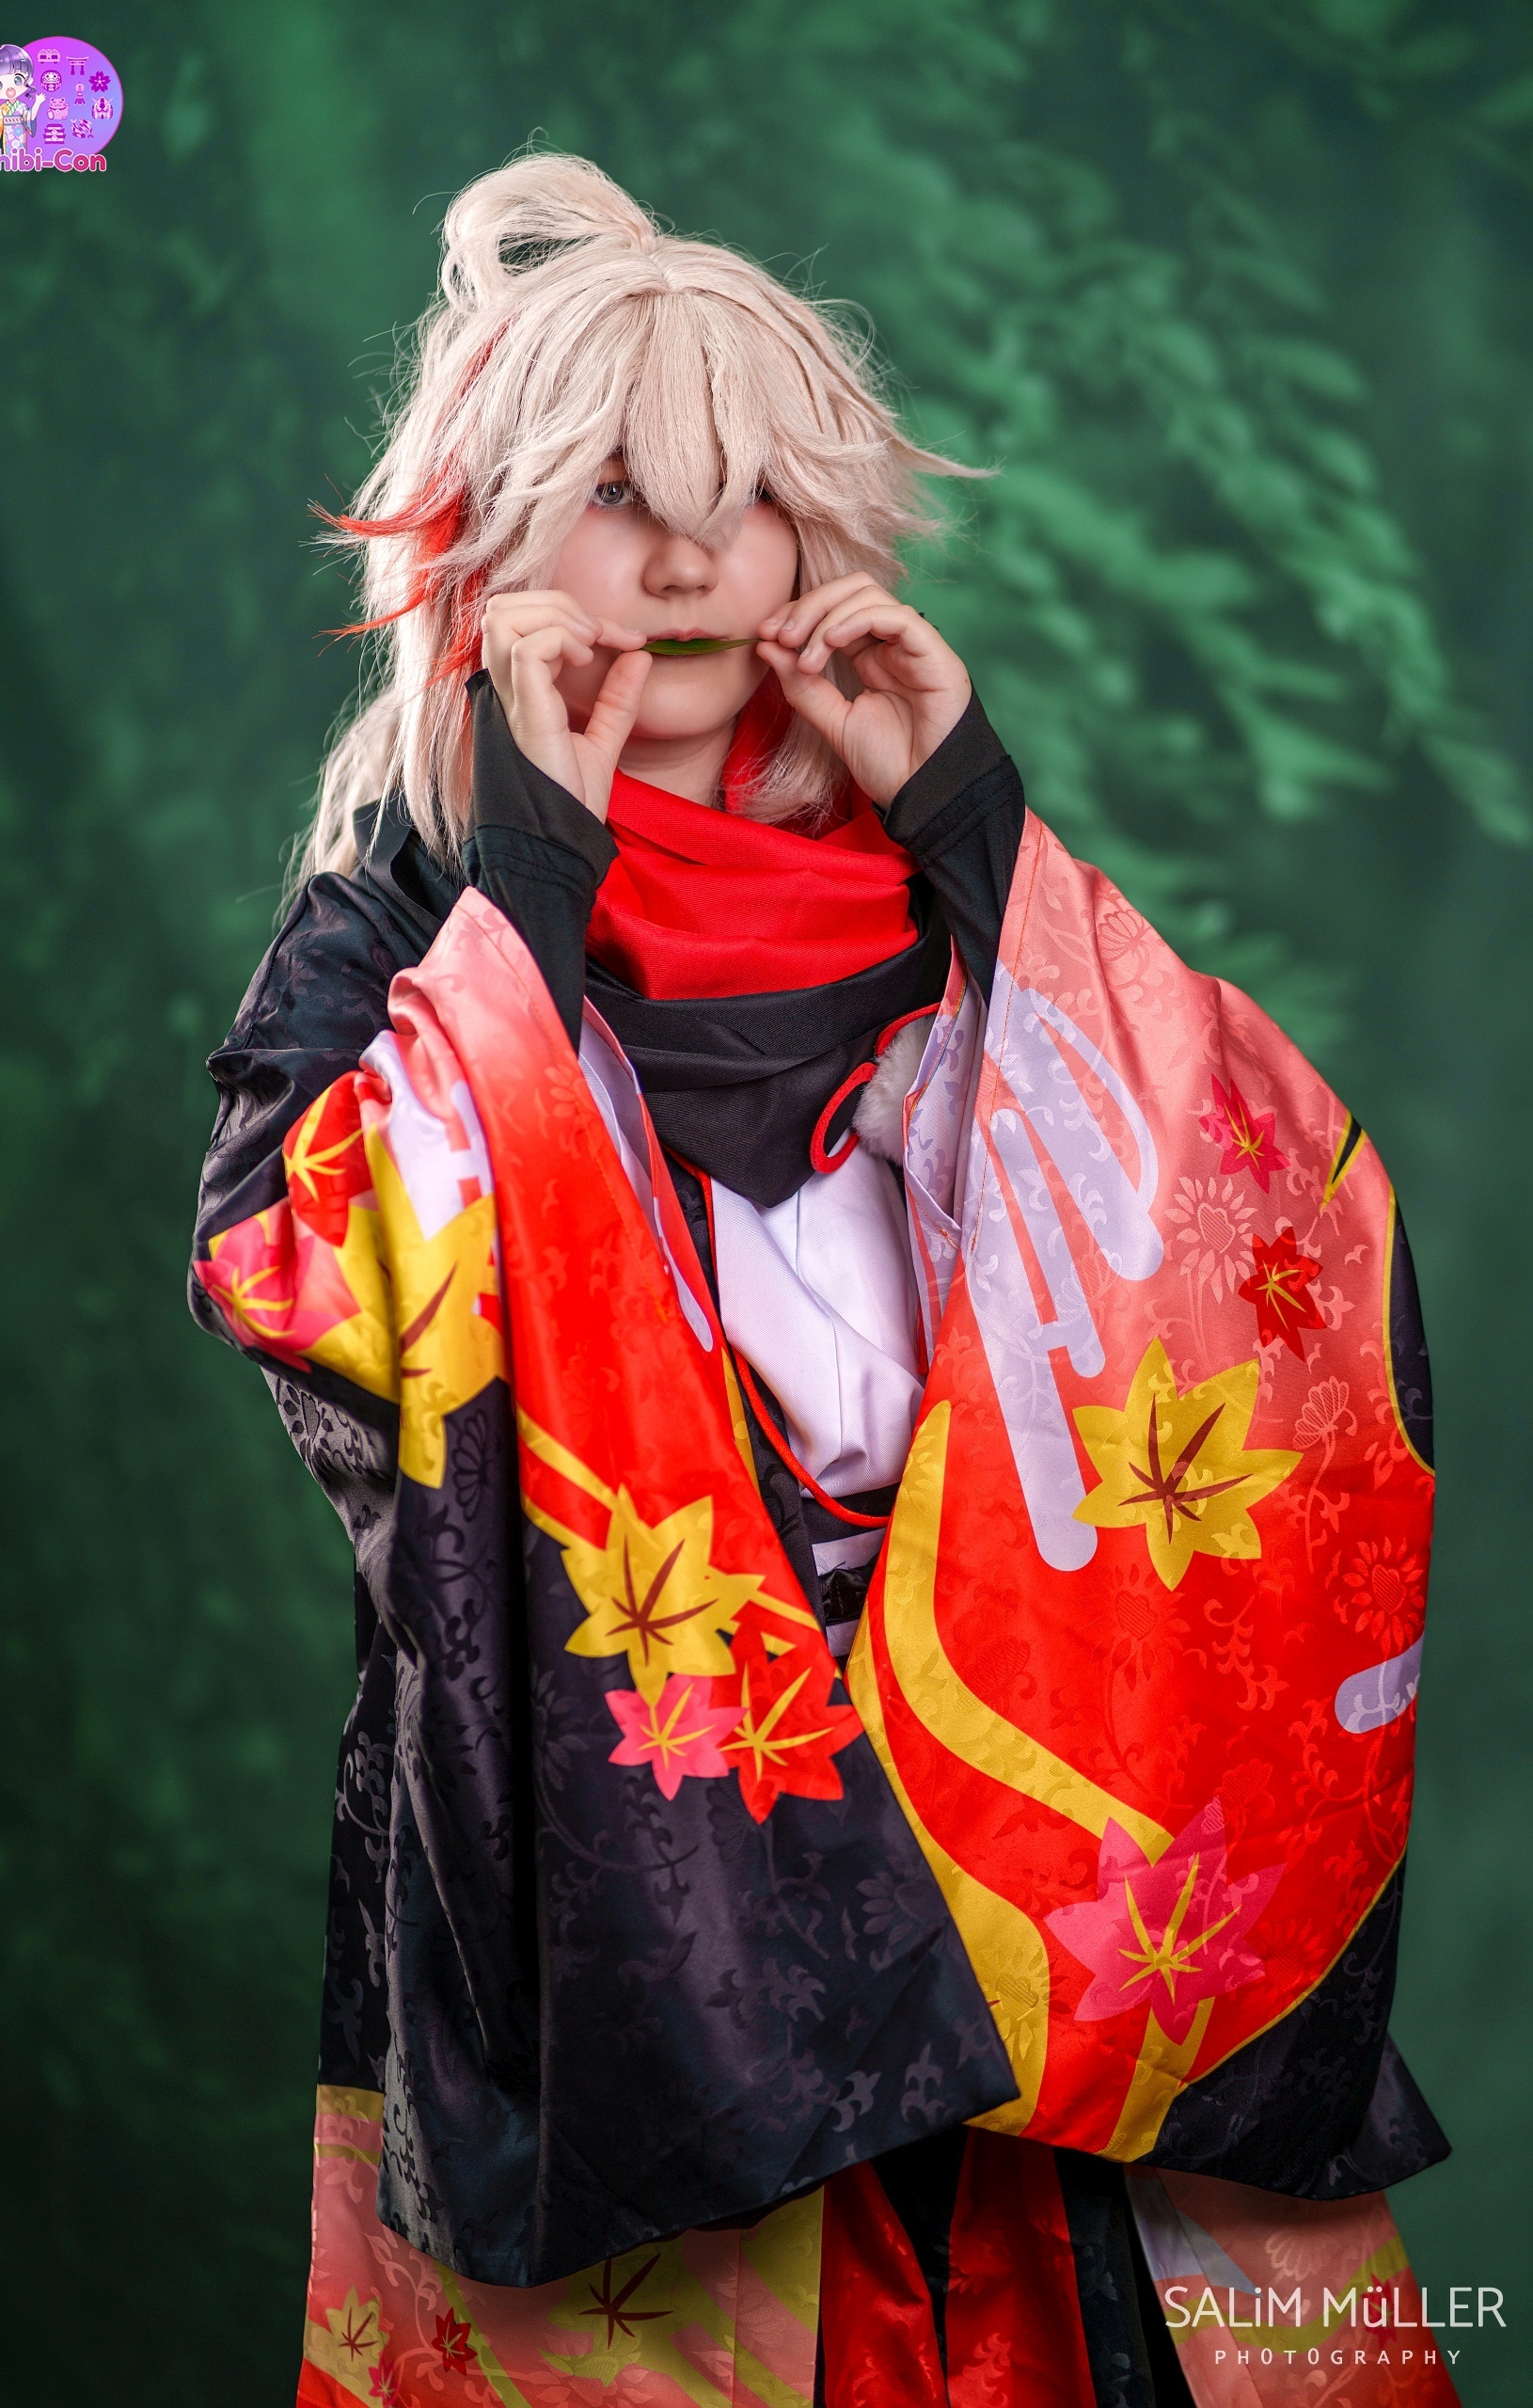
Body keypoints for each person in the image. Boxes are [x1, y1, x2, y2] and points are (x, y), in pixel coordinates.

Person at [192, 155, 1453, 2408]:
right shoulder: (402, 920)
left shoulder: (960, 894)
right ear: (484, 538)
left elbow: (1269, 1231)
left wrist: (972, 822)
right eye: (615, 493)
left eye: (751, 498)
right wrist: (533, 880)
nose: (689, 560)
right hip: (638, 1890)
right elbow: (319, 1267)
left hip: (1040, 1847)